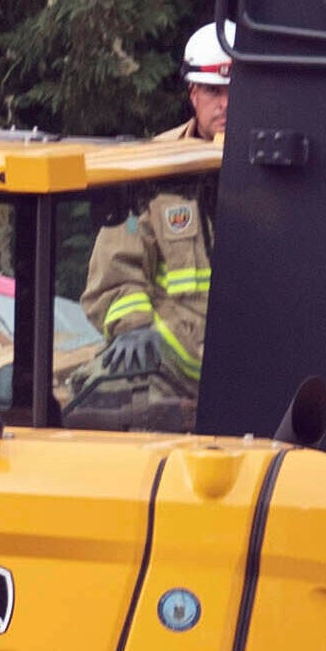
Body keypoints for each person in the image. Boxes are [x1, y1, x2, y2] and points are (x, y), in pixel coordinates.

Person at [82, 22, 228, 403]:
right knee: (95, 399)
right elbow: (115, 271)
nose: (225, 103)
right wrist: (132, 328)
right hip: (167, 371)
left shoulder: (280, 171)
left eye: (235, 91)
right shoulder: (154, 169)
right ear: (193, 93)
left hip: (254, 368)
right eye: (214, 91)